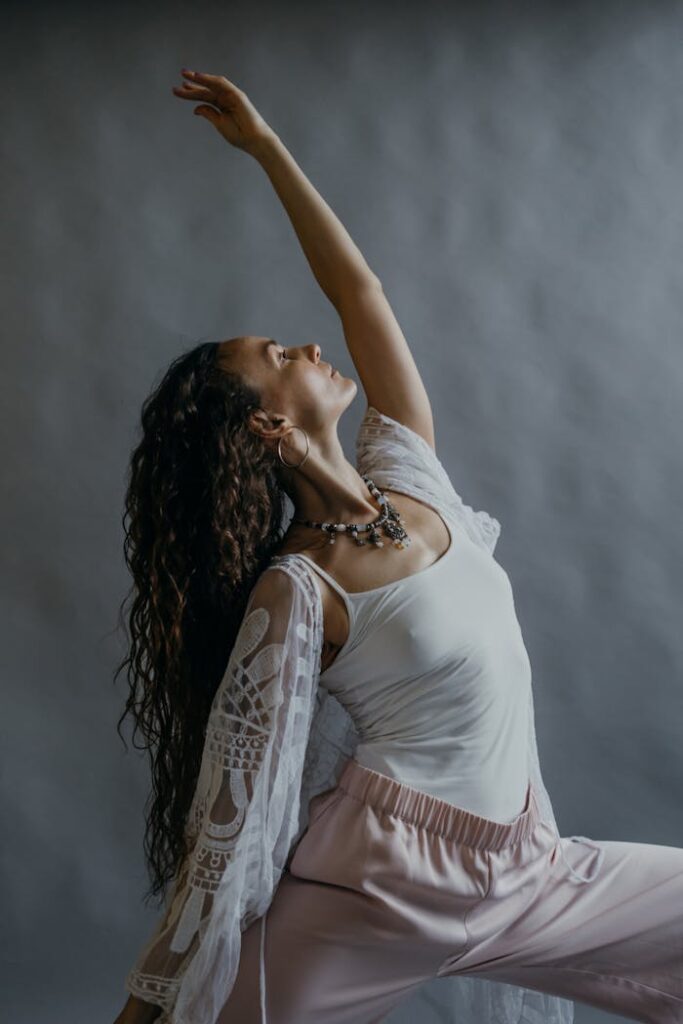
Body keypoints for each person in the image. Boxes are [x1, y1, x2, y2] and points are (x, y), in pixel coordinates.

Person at [114, 70, 683, 1024]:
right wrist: (150, 998)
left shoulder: (413, 479)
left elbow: (359, 290)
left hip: (528, 870)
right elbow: (229, 817)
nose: (307, 347)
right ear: (265, 428)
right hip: (382, 888)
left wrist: (266, 150)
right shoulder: (301, 587)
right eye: (281, 359)